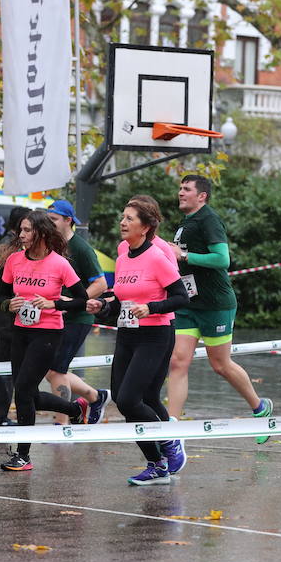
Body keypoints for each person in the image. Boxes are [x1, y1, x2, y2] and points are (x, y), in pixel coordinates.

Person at [87, 196, 189, 485]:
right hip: (127, 334)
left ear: (145, 227)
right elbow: (121, 299)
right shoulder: (122, 258)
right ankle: (157, 465)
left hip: (154, 335)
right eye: (123, 217)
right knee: (122, 399)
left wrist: (152, 308)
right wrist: (103, 307)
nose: (123, 222)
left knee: (133, 399)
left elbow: (181, 297)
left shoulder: (157, 257)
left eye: (130, 218)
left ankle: (168, 441)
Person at [165, 175, 273, 444]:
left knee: (220, 364)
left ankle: (260, 408)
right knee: (178, 361)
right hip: (189, 303)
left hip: (216, 305)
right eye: (180, 188)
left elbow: (222, 259)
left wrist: (185, 256)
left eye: (186, 189)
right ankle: (172, 429)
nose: (180, 193)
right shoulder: (186, 223)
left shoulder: (209, 219)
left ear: (202, 196)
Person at [0, 210, 92, 472]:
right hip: (21, 331)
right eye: (21, 230)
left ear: (40, 232)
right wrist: (9, 304)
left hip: (48, 333)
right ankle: (75, 409)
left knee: (24, 390)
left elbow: (81, 300)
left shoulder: (59, 263)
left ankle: (23, 455)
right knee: (27, 394)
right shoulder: (14, 261)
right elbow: (0, 298)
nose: (21, 235)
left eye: (27, 230)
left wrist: (53, 303)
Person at [44, 199, 112, 426]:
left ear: (67, 220)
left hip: (78, 318)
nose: (49, 224)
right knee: (50, 370)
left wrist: (73, 301)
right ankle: (95, 396)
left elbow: (101, 284)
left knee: (56, 371)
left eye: (53, 220)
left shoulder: (81, 249)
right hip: (55, 317)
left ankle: (61, 424)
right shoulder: (50, 246)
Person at [0, 206, 31, 427]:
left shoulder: (4, 245)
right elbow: (1, 287)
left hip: (1, 315)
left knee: (4, 367)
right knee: (5, 368)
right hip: (7, 318)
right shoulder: (10, 250)